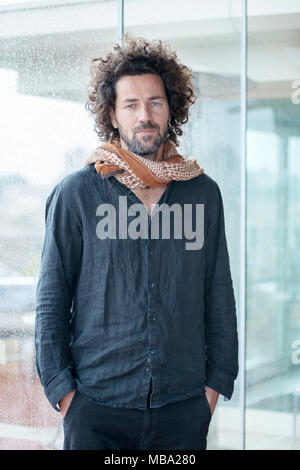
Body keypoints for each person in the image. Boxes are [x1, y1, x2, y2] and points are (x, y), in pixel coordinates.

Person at [35, 35, 238, 451]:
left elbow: (218, 296)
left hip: (183, 409)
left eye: (155, 102)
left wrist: (214, 389)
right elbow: (51, 303)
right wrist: (66, 396)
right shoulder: (76, 195)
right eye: (131, 105)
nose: (144, 115)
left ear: (172, 108)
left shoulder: (202, 193)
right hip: (94, 411)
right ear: (112, 113)